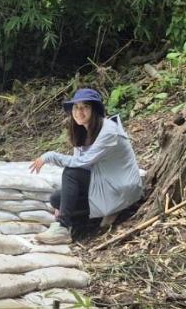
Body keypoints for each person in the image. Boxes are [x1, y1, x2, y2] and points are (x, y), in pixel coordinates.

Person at [29, 87, 143, 240]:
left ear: (94, 109)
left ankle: (63, 227)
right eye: (76, 107)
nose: (79, 111)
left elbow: (82, 163)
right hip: (104, 183)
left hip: (120, 187)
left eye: (85, 107)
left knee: (71, 173)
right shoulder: (84, 131)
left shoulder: (108, 130)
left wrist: (50, 156)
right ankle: (89, 221)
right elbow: (83, 165)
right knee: (57, 199)